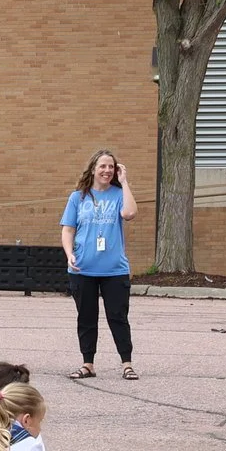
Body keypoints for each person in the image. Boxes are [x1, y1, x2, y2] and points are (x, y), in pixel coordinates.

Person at [61, 150, 137, 379]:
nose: (107, 171)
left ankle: (127, 364)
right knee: (86, 317)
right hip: (83, 268)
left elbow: (130, 213)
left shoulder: (118, 194)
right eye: (102, 166)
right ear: (93, 169)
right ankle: (88, 364)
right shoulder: (78, 197)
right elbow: (68, 229)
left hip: (114, 269)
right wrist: (69, 254)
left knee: (118, 317)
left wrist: (124, 182)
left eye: (111, 167)